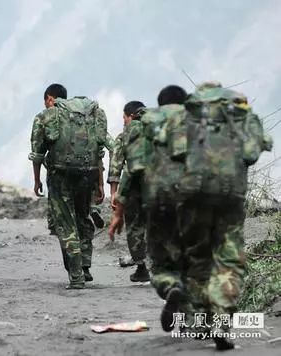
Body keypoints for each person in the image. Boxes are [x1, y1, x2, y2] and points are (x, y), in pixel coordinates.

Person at [109, 83, 272, 350]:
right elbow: (252, 153)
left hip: (172, 198)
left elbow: (136, 167)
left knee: (177, 261)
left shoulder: (155, 123)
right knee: (224, 261)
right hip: (224, 196)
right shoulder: (222, 118)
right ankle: (216, 320)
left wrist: (120, 207)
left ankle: (176, 291)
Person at [29, 84, 108, 289]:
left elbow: (37, 154)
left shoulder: (46, 116)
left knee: (66, 223)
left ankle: (76, 275)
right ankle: (86, 265)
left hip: (60, 176)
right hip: (88, 173)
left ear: (49, 99)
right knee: (84, 218)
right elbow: (99, 151)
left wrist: (37, 180)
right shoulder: (90, 116)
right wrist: (100, 183)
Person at [107, 101, 150, 282]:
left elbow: (116, 166)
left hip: (135, 187)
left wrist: (115, 193)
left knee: (134, 226)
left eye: (124, 118)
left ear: (131, 116)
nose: (124, 122)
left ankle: (142, 268)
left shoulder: (126, 134)